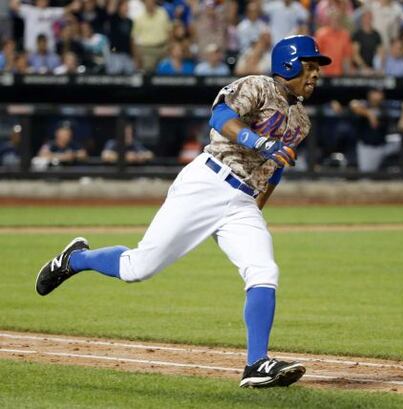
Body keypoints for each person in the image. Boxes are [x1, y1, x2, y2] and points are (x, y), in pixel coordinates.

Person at [35, 34, 331, 389]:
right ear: (289, 64)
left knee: (263, 269)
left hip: (242, 201)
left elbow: (276, 168)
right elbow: (221, 115)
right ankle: (76, 259)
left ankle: (256, 364)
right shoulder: (259, 86)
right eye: (310, 66)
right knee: (136, 268)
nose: (315, 74)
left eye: (317, 69)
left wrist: (257, 208)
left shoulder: (301, 120)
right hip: (207, 182)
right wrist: (260, 141)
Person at [349, 87, 403, 172]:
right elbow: (353, 104)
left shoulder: (386, 104)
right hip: (368, 148)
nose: (377, 96)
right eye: (374, 93)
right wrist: (368, 113)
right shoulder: (365, 104)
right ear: (369, 95)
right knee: (367, 177)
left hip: (385, 144)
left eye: (379, 93)